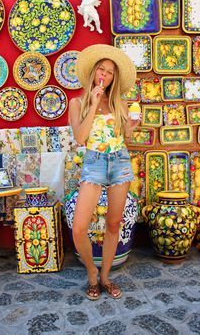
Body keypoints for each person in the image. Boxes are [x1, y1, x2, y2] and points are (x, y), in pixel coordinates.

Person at [68, 44, 140, 300]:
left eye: (110, 72)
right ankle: (91, 273)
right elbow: (80, 137)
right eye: (101, 69)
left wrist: (130, 126)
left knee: (113, 224)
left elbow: (123, 137)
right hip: (94, 162)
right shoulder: (77, 103)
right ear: (93, 72)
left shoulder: (119, 102)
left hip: (119, 162)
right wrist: (95, 101)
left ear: (114, 78)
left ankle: (106, 277)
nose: (105, 75)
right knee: (79, 228)